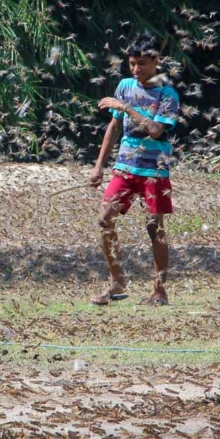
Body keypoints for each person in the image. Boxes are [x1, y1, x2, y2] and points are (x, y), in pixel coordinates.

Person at [89, 33, 180, 306]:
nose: (136, 69)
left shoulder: (167, 94)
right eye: (132, 64)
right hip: (125, 167)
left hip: (154, 171)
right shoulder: (125, 86)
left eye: (142, 63)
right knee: (105, 219)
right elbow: (114, 127)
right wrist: (98, 166)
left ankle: (159, 291)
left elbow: (155, 130)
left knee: (155, 229)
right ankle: (117, 282)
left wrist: (127, 107)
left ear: (156, 61)